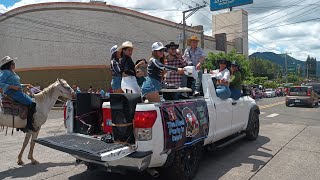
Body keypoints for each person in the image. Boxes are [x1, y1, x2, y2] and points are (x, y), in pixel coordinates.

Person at [0, 56, 36, 131]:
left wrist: (25, 85)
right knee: (32, 103)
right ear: (8, 65)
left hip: (16, 91)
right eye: (12, 63)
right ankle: (28, 124)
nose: (14, 64)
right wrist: (13, 87)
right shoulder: (5, 72)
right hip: (12, 92)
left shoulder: (12, 72)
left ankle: (21, 123)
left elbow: (17, 85)